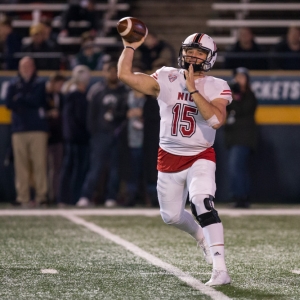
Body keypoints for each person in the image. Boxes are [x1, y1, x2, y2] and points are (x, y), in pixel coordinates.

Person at [118, 32, 232, 286]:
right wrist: (129, 47)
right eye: (189, 50)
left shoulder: (218, 85)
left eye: (199, 52)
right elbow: (125, 77)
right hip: (168, 156)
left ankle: (220, 269)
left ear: (210, 58)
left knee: (202, 200)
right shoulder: (167, 75)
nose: (192, 55)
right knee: (170, 216)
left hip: (200, 154)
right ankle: (200, 236)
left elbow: (215, 120)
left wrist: (193, 89)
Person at [76, 61, 128, 208]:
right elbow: (91, 115)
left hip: (117, 135)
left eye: (114, 71)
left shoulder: (124, 92)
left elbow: (125, 114)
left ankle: (111, 197)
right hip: (100, 136)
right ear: (104, 73)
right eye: (109, 71)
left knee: (115, 169)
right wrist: (94, 133)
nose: (112, 74)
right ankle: (86, 195)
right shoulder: (97, 91)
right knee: (96, 167)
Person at [5, 56, 48, 207]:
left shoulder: (40, 83)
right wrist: (25, 99)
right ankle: (22, 197)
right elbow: (9, 102)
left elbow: (37, 100)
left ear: (34, 67)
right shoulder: (12, 83)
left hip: (37, 128)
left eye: (29, 65)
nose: (26, 69)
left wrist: (21, 98)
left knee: (39, 164)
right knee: (20, 165)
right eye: (23, 66)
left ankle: (41, 196)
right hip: (18, 129)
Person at [57, 65, 90, 206]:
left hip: (72, 137)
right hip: (77, 138)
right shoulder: (76, 96)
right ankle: (70, 197)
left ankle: (66, 198)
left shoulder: (70, 94)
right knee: (75, 168)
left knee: (70, 167)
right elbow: (80, 119)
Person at [224, 67, 258, 208]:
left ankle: (241, 196)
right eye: (237, 77)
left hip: (245, 138)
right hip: (233, 138)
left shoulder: (250, 96)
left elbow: (243, 110)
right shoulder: (230, 96)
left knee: (236, 167)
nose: (239, 80)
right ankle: (240, 196)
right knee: (238, 168)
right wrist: (231, 95)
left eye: (242, 77)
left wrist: (236, 96)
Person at [45, 73, 66, 204]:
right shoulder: (44, 95)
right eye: (59, 84)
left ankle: (55, 196)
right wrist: (49, 114)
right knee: (44, 167)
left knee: (56, 168)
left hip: (58, 136)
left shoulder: (61, 97)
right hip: (46, 135)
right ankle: (44, 196)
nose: (61, 87)